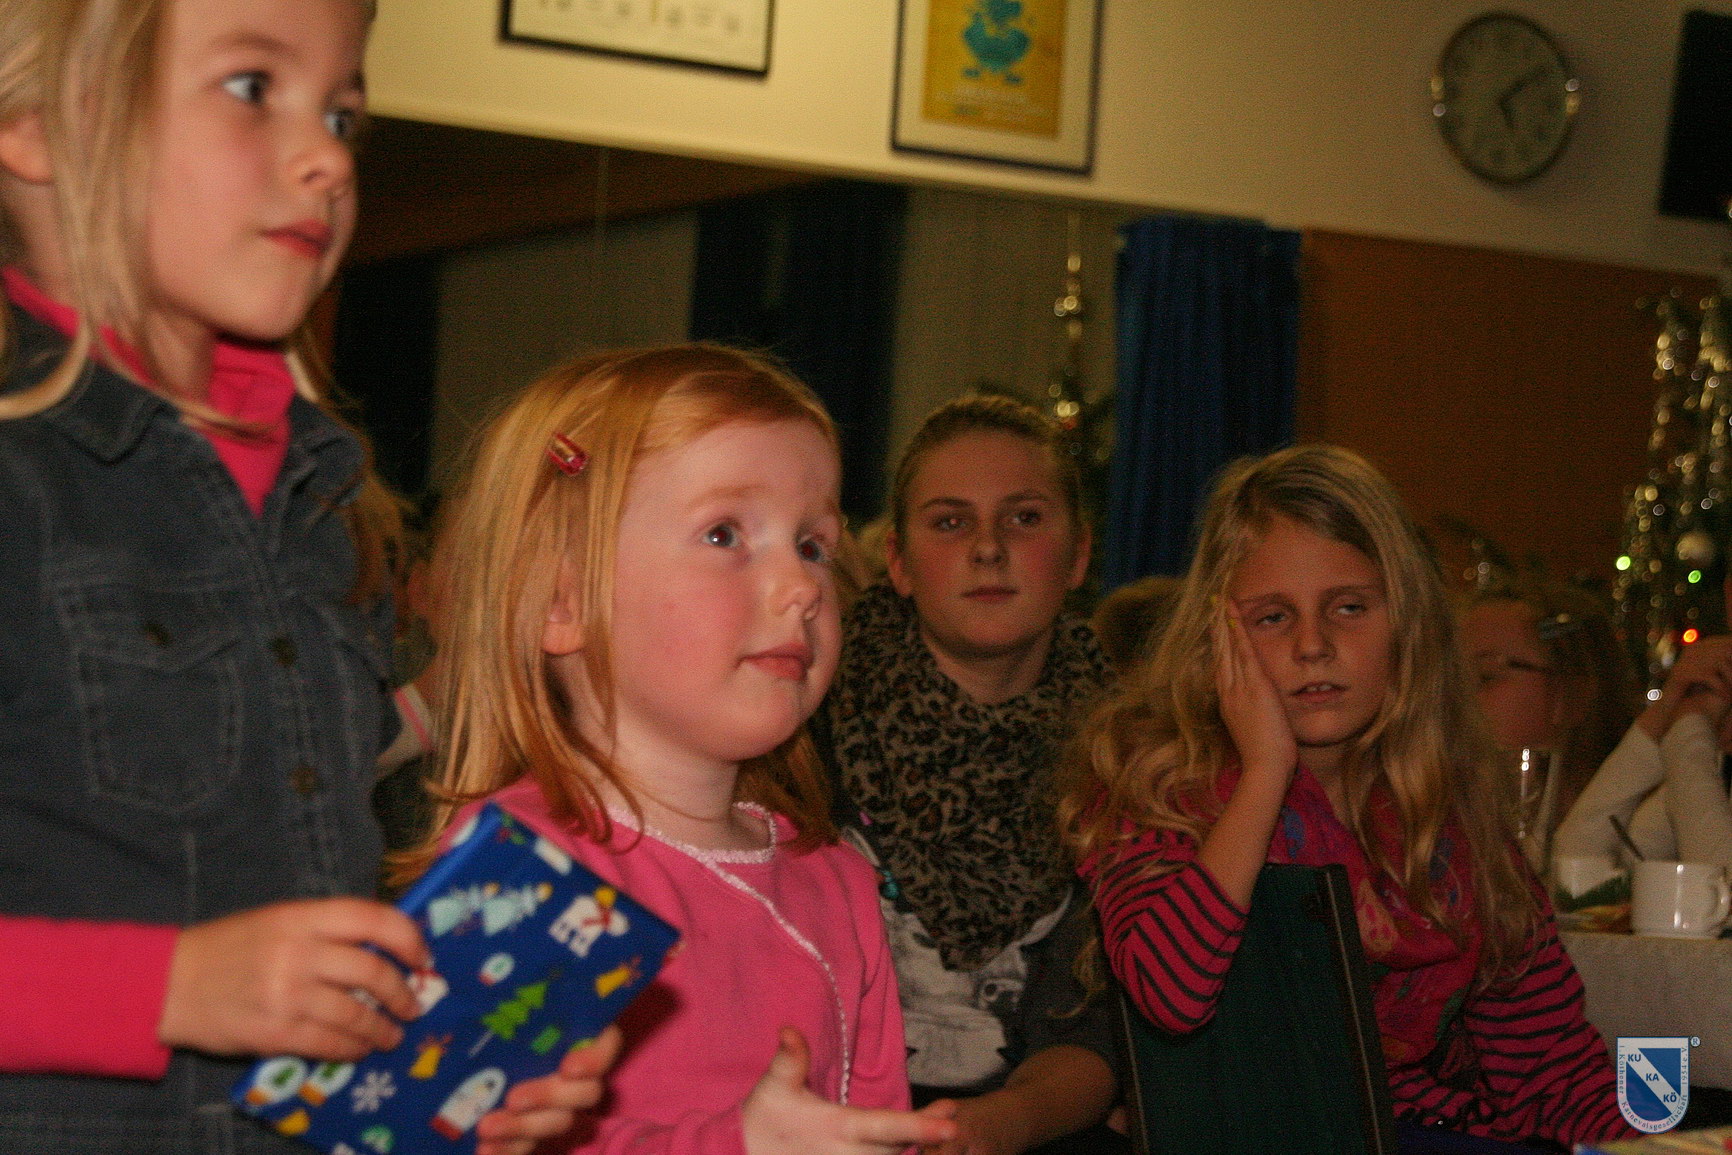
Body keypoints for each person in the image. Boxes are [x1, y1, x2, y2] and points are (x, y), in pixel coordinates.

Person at [0, 1, 608, 1150]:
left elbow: (280, 928)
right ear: (35, 123)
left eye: (341, 114)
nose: (328, 159)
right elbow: (210, 974)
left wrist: (439, 1077)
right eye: (250, 89)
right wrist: (165, 988)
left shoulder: (323, 500)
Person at [402, 344, 958, 1155]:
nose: (804, 587)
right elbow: (437, 1138)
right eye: (725, 533)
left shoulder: (837, 879)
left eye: (813, 544)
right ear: (562, 603)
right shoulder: (524, 869)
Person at [1060, 445, 1631, 1148]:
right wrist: (1265, 771)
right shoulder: (1160, 790)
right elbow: (1170, 995)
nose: (1313, 645)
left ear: (1407, 626)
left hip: (1427, 1132)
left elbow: (1550, 1066)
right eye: (1273, 617)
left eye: (1349, 608)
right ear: (1218, 639)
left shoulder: (1445, 816)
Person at [820, 393, 1123, 1155]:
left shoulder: (1127, 758)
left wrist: (995, 1124)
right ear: (898, 561)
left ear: (1079, 553)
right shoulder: (804, 725)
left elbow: (1091, 1033)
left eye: (1024, 517)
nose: (988, 548)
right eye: (951, 522)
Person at [1458, 579, 1636, 851]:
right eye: (1453, 678)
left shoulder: (1638, 832)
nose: (1458, 696)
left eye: (1486, 675)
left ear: (1573, 691)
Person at [1553, 629, 1732, 868]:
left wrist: (1690, 722)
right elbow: (1576, 862)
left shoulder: (1696, 759)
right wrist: (1664, 710)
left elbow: (1719, 878)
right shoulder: (1706, 773)